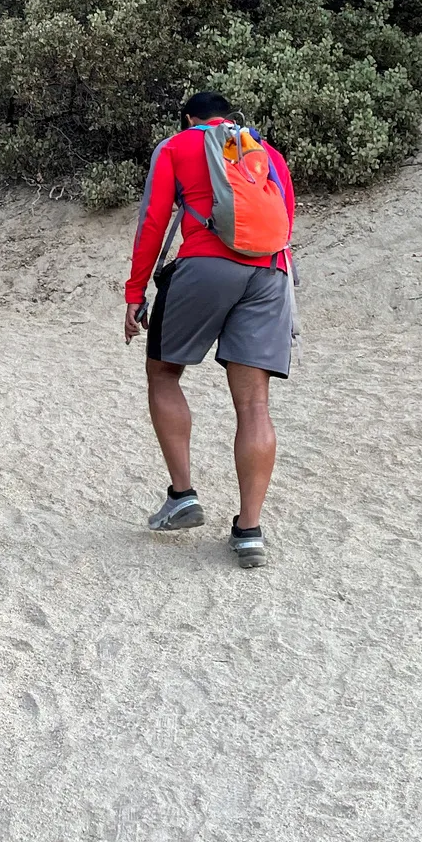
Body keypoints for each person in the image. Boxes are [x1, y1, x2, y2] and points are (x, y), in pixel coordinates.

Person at [122, 91, 295, 567]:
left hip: (205, 267)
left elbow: (154, 222)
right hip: (271, 273)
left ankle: (183, 495)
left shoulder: (176, 146)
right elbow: (285, 221)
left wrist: (135, 292)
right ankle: (249, 531)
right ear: (229, 118)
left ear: (188, 118)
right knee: (255, 403)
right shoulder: (265, 152)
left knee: (163, 372)